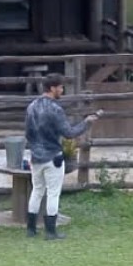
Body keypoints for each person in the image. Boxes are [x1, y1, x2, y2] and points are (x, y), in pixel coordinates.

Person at [24, 73, 102, 240]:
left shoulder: (31, 106)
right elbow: (69, 133)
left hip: (36, 157)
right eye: (60, 87)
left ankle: (31, 229)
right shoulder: (56, 109)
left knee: (37, 191)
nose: (62, 90)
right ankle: (51, 232)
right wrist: (86, 122)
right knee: (53, 194)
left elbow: (28, 134)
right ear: (52, 88)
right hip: (53, 157)